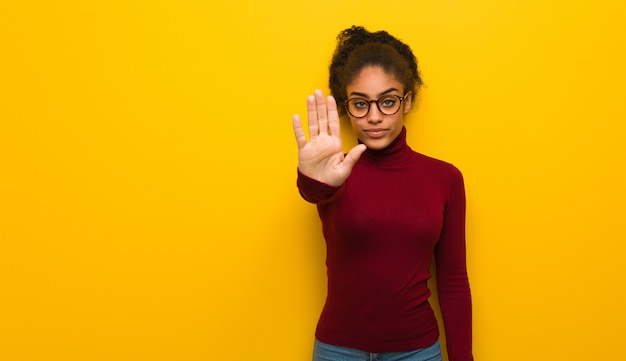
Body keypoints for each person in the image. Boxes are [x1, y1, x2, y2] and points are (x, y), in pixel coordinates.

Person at [291, 26, 473, 361]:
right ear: (347, 107)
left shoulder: (445, 178)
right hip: (337, 350)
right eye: (360, 104)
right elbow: (314, 193)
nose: (374, 117)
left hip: (417, 351)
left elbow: (453, 280)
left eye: (387, 101)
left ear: (408, 101)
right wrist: (313, 179)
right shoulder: (335, 171)